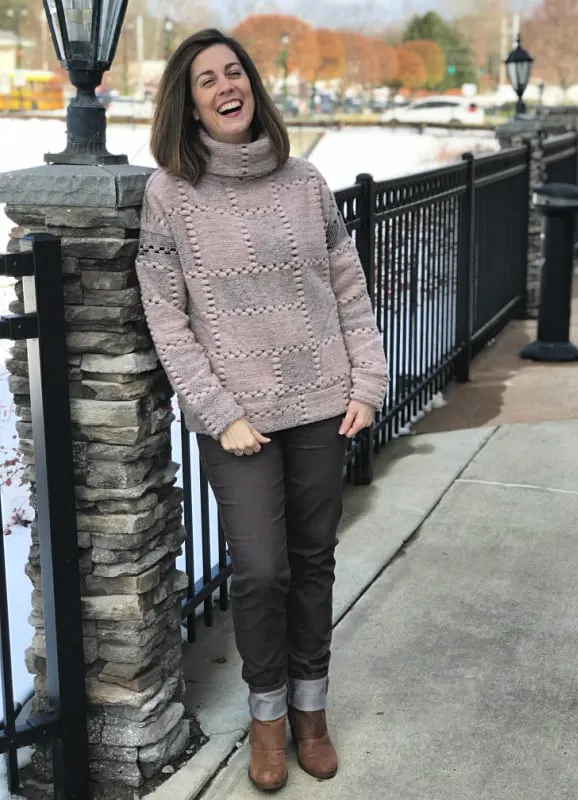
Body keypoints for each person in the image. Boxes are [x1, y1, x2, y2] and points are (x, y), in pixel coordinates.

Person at [135, 28, 388, 792]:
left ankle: (311, 713)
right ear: (189, 103)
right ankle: (267, 716)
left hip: (324, 405)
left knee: (313, 563)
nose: (224, 86)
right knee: (261, 570)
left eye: (233, 71)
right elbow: (166, 315)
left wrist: (368, 382)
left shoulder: (306, 181)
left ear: (253, 86)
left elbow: (348, 287)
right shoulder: (168, 194)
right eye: (206, 79)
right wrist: (215, 410)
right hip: (238, 419)